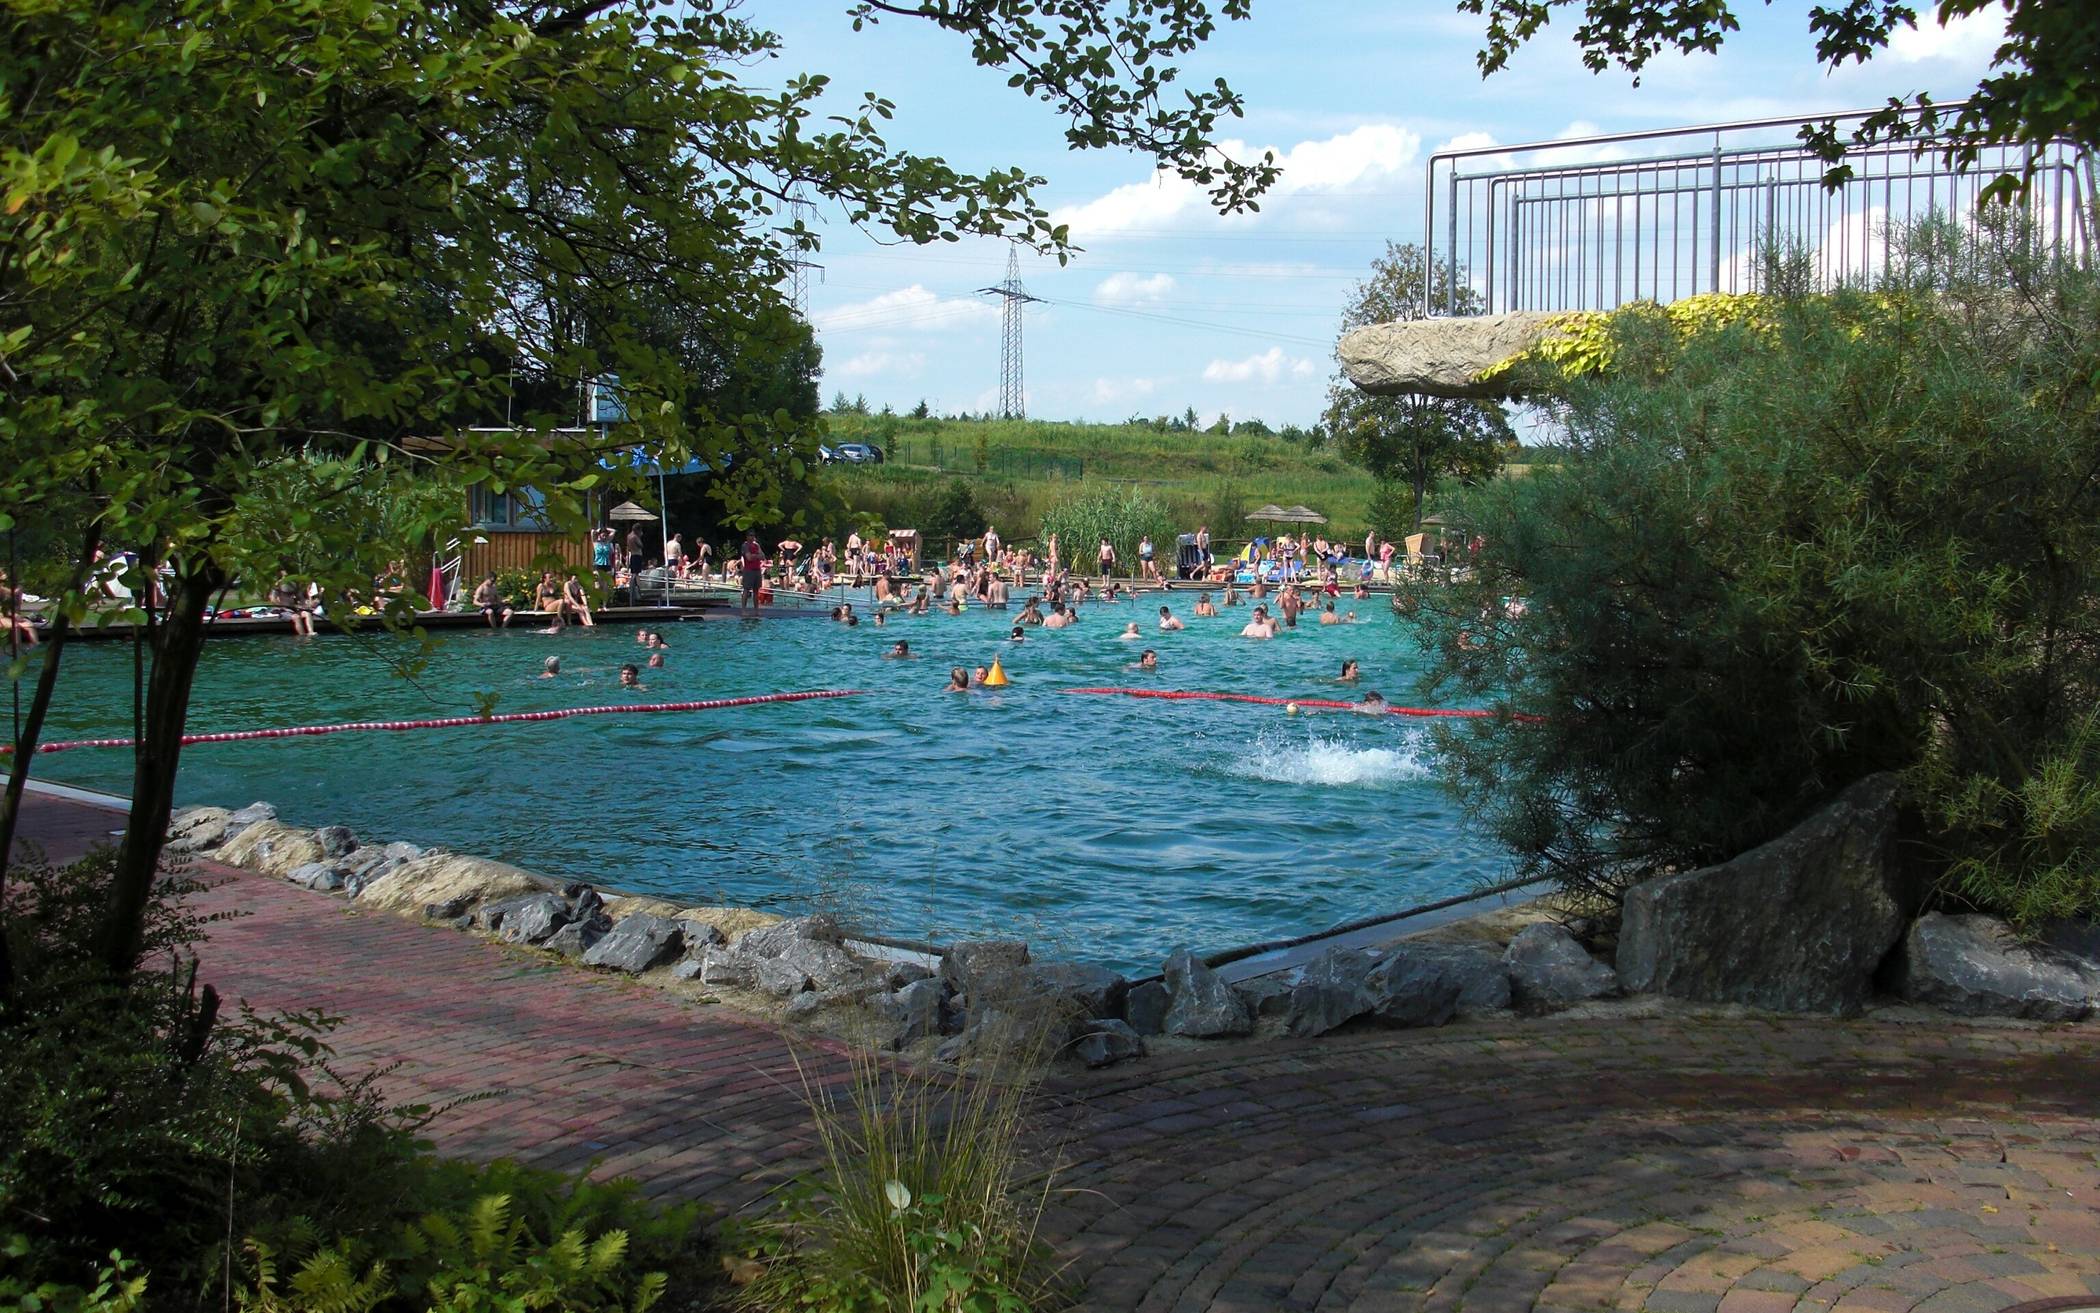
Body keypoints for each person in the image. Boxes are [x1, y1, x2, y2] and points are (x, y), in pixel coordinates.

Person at [738, 530, 765, 614]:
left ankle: (756, 610)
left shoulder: (757, 545)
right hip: (748, 570)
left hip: (757, 569)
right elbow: (748, 557)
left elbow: (763, 556)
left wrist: (755, 555)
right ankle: (743, 610)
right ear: (747, 536)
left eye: (753, 535)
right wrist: (757, 556)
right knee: (746, 590)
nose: (752, 537)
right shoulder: (745, 545)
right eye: (750, 535)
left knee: (756, 591)